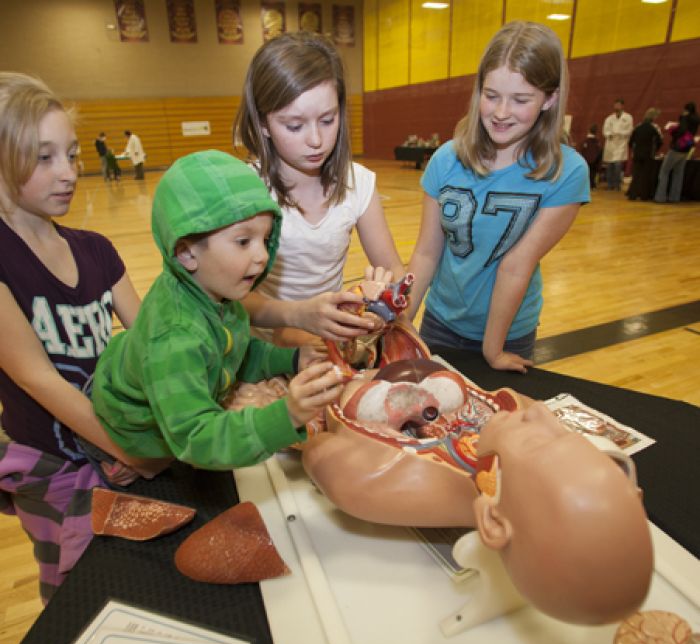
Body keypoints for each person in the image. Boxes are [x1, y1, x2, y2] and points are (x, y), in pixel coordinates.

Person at [302, 359, 653, 625]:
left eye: (536, 441)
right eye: (564, 434)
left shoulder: (379, 480)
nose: (544, 414)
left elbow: (319, 447)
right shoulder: (523, 415)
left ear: (494, 522)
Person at [91, 150, 345, 470]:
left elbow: (235, 353)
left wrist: (293, 358)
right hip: (141, 436)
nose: (262, 256)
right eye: (243, 242)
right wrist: (286, 417)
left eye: (264, 239)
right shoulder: (175, 340)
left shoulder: (219, 292)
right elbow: (195, 437)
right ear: (186, 254)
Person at [0, 72, 153, 603]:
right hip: (54, 465)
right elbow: (38, 378)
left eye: (70, 153)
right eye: (44, 158)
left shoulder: (96, 249)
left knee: (131, 576)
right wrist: (134, 450)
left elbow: (150, 344)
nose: (68, 173)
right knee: (74, 592)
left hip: (115, 449)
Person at [405, 21, 589, 373]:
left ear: (549, 99)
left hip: (507, 333)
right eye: (491, 96)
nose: (501, 113)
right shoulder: (446, 159)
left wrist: (493, 350)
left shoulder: (567, 172)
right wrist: (401, 324)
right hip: (439, 323)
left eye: (520, 100)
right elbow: (427, 252)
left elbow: (516, 265)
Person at [233, 32, 405, 349]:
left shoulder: (359, 183)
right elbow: (231, 297)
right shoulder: (245, 190)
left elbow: (394, 269)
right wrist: (299, 315)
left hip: (328, 346)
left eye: (327, 120)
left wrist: (385, 294)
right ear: (262, 124)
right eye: (295, 125)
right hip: (257, 351)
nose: (315, 140)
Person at [654, 101, 700, 203]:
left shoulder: (684, 118)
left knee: (664, 171)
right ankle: (674, 197)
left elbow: (682, 130)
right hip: (687, 148)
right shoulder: (696, 119)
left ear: (686, 110)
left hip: (677, 147)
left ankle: (660, 197)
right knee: (678, 173)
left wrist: (674, 131)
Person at [627, 107, 662, 201]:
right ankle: (644, 195)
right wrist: (655, 150)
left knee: (636, 175)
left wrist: (635, 150)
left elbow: (630, 142)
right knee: (645, 175)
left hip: (637, 154)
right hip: (648, 154)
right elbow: (659, 141)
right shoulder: (653, 129)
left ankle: (632, 194)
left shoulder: (638, 127)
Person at [603, 98, 634, 191]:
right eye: (615, 105)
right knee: (610, 166)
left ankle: (617, 185)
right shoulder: (609, 118)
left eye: (618, 105)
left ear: (622, 106)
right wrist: (609, 134)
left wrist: (619, 133)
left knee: (618, 166)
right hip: (611, 143)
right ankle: (609, 184)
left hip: (621, 143)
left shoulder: (628, 117)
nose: (616, 106)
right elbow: (605, 130)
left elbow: (629, 130)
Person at [578, 123, 602, 189]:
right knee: (592, 174)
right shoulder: (598, 142)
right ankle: (592, 185)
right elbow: (599, 152)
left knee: (585, 173)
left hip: (585, 160)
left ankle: (584, 185)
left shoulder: (585, 141)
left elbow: (581, 151)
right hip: (594, 161)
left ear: (588, 130)